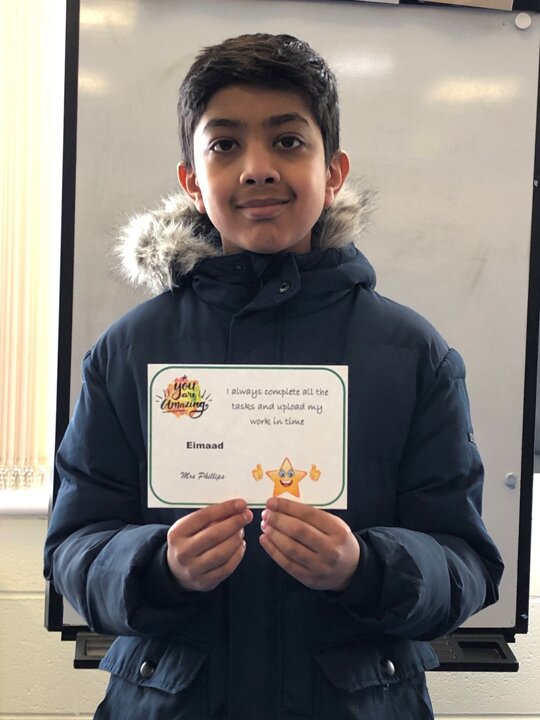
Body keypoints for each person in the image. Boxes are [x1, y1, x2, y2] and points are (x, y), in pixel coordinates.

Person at [44, 33, 503, 720]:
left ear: (334, 172)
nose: (257, 169)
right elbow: (73, 548)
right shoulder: (127, 351)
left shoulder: (414, 354)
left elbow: (466, 563)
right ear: (192, 180)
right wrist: (158, 566)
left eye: (288, 141)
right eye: (225, 144)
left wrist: (366, 568)